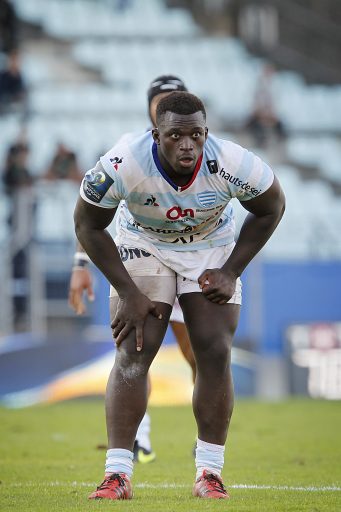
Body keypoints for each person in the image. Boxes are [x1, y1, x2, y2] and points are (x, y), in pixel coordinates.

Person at [74, 91, 285, 500]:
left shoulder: (233, 162)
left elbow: (271, 208)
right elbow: (86, 225)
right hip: (144, 242)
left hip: (209, 246)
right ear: (156, 134)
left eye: (196, 135)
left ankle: (209, 472)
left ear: (207, 133)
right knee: (135, 350)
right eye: (175, 136)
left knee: (214, 350)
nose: (187, 144)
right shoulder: (124, 162)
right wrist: (126, 290)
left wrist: (231, 271)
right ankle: (117, 474)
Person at [69, 76, 196, 463]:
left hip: (189, 257)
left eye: (168, 102)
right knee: (137, 350)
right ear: (149, 110)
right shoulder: (129, 151)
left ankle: (201, 436)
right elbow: (93, 207)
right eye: (157, 103)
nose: (162, 108)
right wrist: (80, 263)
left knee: (198, 355)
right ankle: (139, 436)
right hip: (142, 254)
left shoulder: (198, 151)